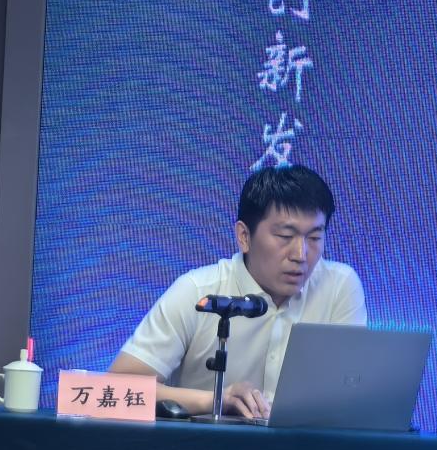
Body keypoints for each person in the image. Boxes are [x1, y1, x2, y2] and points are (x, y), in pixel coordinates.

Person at [109, 164, 366, 418]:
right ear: (244, 236)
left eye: (314, 238)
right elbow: (115, 389)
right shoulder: (198, 291)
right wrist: (217, 400)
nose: (300, 254)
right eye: (285, 236)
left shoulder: (339, 286)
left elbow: (351, 392)